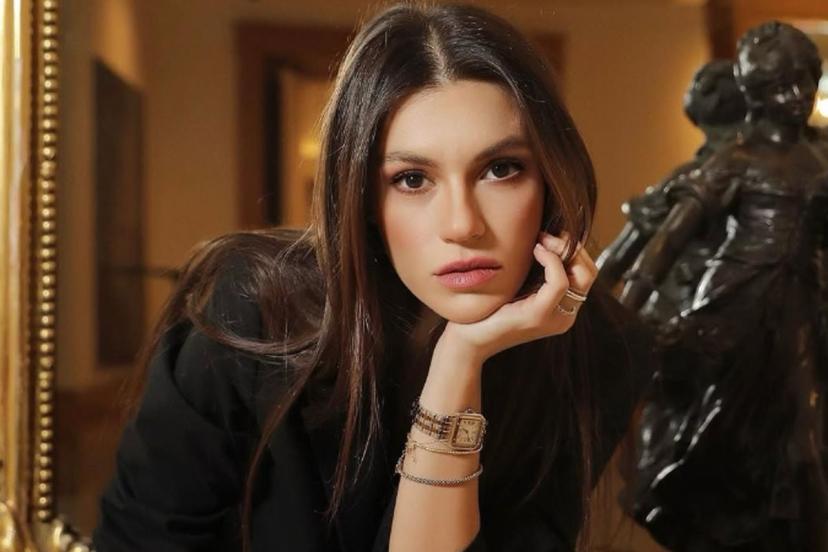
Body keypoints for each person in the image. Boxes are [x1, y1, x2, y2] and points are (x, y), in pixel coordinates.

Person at [92, 3, 656, 551]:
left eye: (501, 169)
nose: (462, 225)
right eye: (412, 179)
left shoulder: (600, 350)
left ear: (551, 180)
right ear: (362, 199)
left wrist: (460, 361)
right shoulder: (249, 310)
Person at [620, 21, 828, 551]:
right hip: (738, 309)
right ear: (755, 93)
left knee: (805, 442)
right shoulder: (736, 159)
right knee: (727, 433)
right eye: (780, 86)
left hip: (800, 309)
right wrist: (623, 312)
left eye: (805, 80)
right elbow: (668, 239)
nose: (797, 96)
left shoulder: (821, 157)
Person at [596, 59, 746, 326]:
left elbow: (620, 255)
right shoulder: (769, 173)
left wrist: (583, 313)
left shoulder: (692, 175)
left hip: (679, 314)